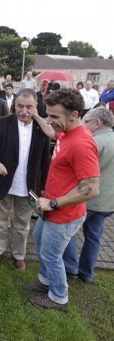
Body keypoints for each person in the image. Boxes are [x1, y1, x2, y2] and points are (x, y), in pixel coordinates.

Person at [25, 89, 100, 312]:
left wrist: (54, 203)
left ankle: (59, 297)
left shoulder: (81, 144)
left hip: (63, 214)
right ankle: (45, 282)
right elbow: (51, 132)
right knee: (39, 241)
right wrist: (36, 115)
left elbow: (92, 188)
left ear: (74, 115)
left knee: (51, 254)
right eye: (49, 114)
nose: (51, 121)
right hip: (51, 210)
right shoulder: (66, 132)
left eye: (55, 116)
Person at [0, 88, 51, 270]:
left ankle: (19, 255)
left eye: (29, 107)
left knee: (23, 224)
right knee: (0, 221)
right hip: (3, 182)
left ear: (36, 107)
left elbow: (46, 159)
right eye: (20, 106)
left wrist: (45, 187)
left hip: (29, 186)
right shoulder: (2, 123)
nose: (24, 110)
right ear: (14, 105)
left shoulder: (41, 127)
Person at [63, 107, 114, 283]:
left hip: (88, 200)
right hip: (108, 203)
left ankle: (70, 268)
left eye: (86, 121)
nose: (83, 125)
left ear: (97, 123)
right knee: (94, 238)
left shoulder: (93, 143)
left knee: (68, 232)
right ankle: (86, 274)